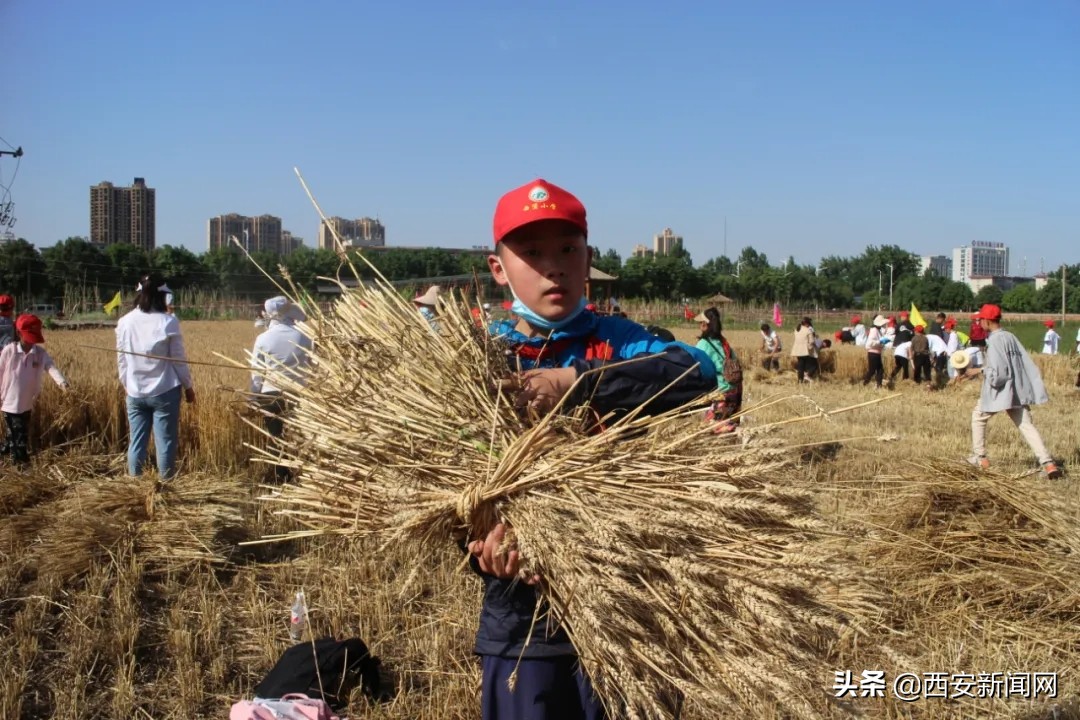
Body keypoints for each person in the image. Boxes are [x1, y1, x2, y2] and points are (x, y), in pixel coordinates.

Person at [475, 178, 718, 720]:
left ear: (588, 260)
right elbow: (444, 473)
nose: (552, 267)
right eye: (531, 253)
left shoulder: (620, 339)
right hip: (521, 616)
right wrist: (479, 542)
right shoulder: (480, 356)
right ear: (499, 268)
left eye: (567, 250)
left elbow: (699, 371)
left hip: (626, 596)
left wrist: (576, 382)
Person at [967, 304, 1061, 479]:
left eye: (980, 320)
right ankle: (1048, 463)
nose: (979, 323)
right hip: (1016, 390)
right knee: (1026, 425)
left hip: (1001, 391)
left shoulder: (994, 341)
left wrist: (981, 371)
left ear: (987, 321)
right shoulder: (1010, 337)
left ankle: (980, 457)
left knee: (978, 417)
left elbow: (999, 375)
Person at [116, 274, 195, 480]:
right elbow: (178, 359)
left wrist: (126, 384)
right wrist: (188, 386)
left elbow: (121, 359)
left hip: (134, 392)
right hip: (165, 391)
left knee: (137, 441)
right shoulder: (168, 322)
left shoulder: (124, 322)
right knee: (165, 441)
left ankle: (134, 483)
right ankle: (166, 485)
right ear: (161, 296)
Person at [250, 296, 313, 482]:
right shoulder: (303, 337)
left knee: (276, 437)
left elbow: (257, 372)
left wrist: (253, 397)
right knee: (300, 437)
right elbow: (312, 366)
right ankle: (302, 476)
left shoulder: (263, 338)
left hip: (270, 395)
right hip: (298, 395)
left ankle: (280, 476)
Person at [0, 314, 69, 466]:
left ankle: (6, 453)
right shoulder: (9, 351)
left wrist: (62, 383)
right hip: (9, 403)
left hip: (27, 403)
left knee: (15, 437)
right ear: (18, 333)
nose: (32, 342)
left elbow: (50, 367)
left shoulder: (39, 353)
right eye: (28, 337)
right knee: (20, 439)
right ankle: (22, 468)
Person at [695, 308, 742, 433]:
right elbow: (735, 361)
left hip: (719, 392)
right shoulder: (724, 342)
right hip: (734, 391)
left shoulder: (703, 344)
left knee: (714, 428)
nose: (699, 325)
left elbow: (697, 368)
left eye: (700, 322)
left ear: (705, 325)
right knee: (730, 425)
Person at [861, 315, 887, 388]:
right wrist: (880, 341)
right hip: (873, 353)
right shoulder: (874, 330)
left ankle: (879, 385)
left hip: (877, 353)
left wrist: (883, 343)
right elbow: (870, 343)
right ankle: (865, 383)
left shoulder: (878, 330)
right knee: (872, 370)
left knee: (880, 370)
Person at [791, 317, 818, 383]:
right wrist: (813, 350)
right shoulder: (808, 330)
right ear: (806, 323)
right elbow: (811, 341)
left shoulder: (796, 330)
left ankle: (800, 380)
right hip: (805, 350)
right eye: (809, 323)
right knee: (814, 364)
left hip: (797, 350)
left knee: (801, 366)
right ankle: (808, 375)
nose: (810, 324)